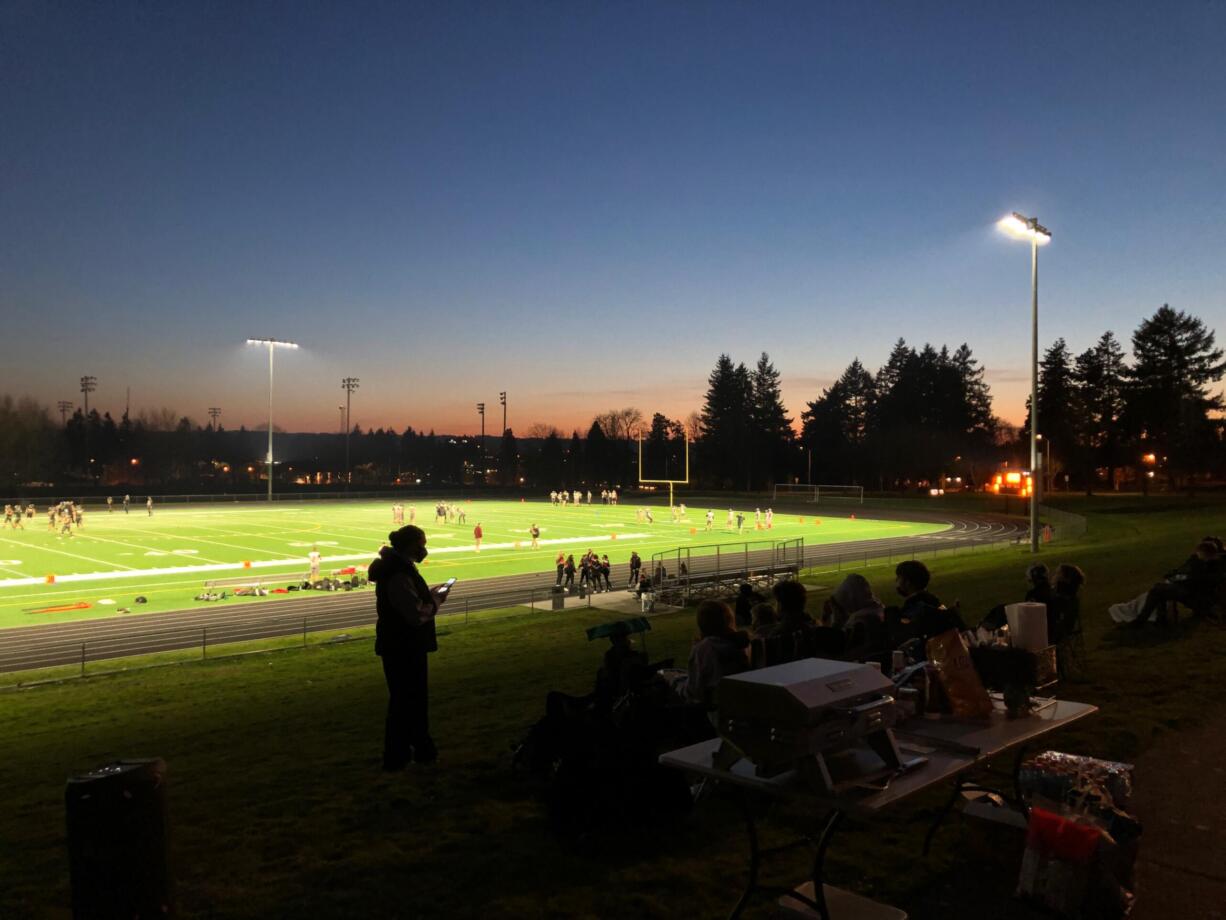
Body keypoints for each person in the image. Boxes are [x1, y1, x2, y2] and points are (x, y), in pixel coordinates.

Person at [368, 525, 447, 770]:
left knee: (406, 702)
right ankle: (402, 755)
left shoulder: (398, 568)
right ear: (409, 546)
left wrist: (429, 595)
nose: (424, 549)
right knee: (407, 702)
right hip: (404, 645)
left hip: (401, 644)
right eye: (421, 544)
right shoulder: (398, 573)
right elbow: (413, 615)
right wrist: (436, 600)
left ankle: (412, 752)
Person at [686, 600, 750, 710]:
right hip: (743, 703)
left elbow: (694, 692)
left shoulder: (706, 648)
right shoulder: (743, 643)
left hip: (716, 712)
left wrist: (675, 682)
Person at [886, 560, 965, 645]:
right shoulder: (934, 602)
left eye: (898, 578)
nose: (896, 581)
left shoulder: (913, 609)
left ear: (907, 583)